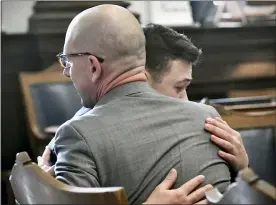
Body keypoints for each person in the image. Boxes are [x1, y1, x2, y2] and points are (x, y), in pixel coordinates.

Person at [38, 12, 249, 204]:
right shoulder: (209, 118)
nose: (66, 72)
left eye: (68, 62)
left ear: (94, 66)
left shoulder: (76, 135)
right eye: (179, 87)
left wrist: (43, 192)